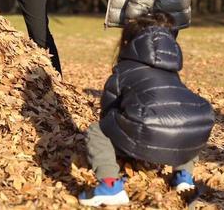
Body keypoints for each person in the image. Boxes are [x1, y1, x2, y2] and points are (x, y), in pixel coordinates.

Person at [78, 13, 215, 207]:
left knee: (97, 131)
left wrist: (121, 145)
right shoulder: (171, 69)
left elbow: (108, 111)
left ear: (130, 42)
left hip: (147, 128)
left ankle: (110, 185)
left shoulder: (124, 70)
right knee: (184, 123)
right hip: (197, 125)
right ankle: (183, 177)